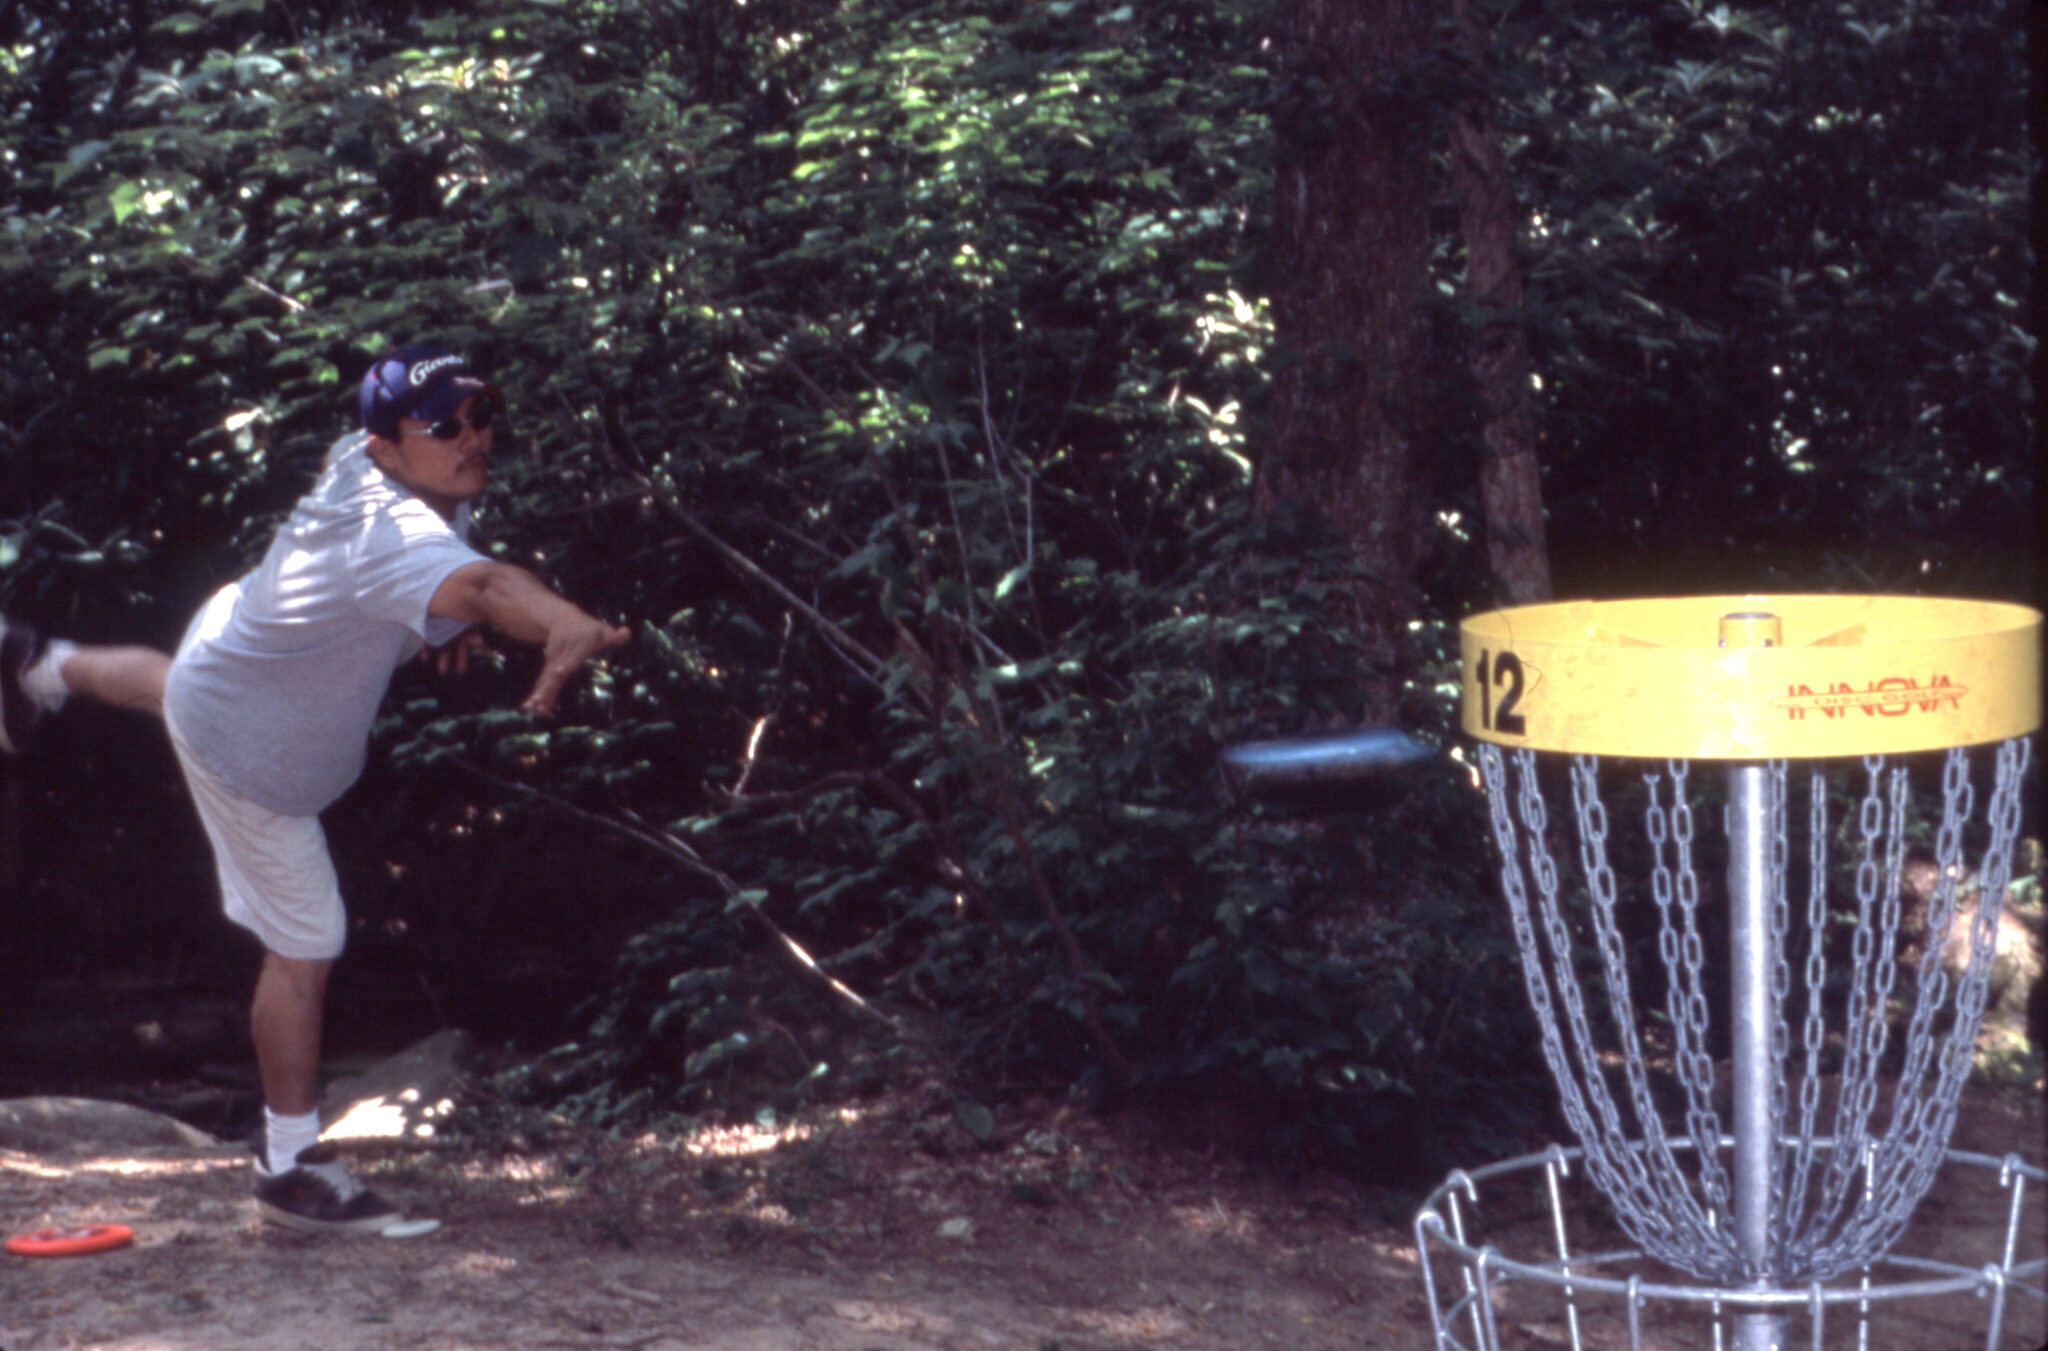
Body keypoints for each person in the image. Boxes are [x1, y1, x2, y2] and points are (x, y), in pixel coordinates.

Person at [0, 345, 630, 1232]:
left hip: (230, 660)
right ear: (385, 449)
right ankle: (287, 1164)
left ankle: (37, 664)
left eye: (481, 415)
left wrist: (440, 616)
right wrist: (555, 617)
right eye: (444, 424)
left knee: (174, 687)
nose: (472, 437)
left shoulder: (378, 461)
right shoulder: (386, 530)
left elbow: (454, 576)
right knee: (307, 936)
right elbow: (487, 583)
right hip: (247, 753)